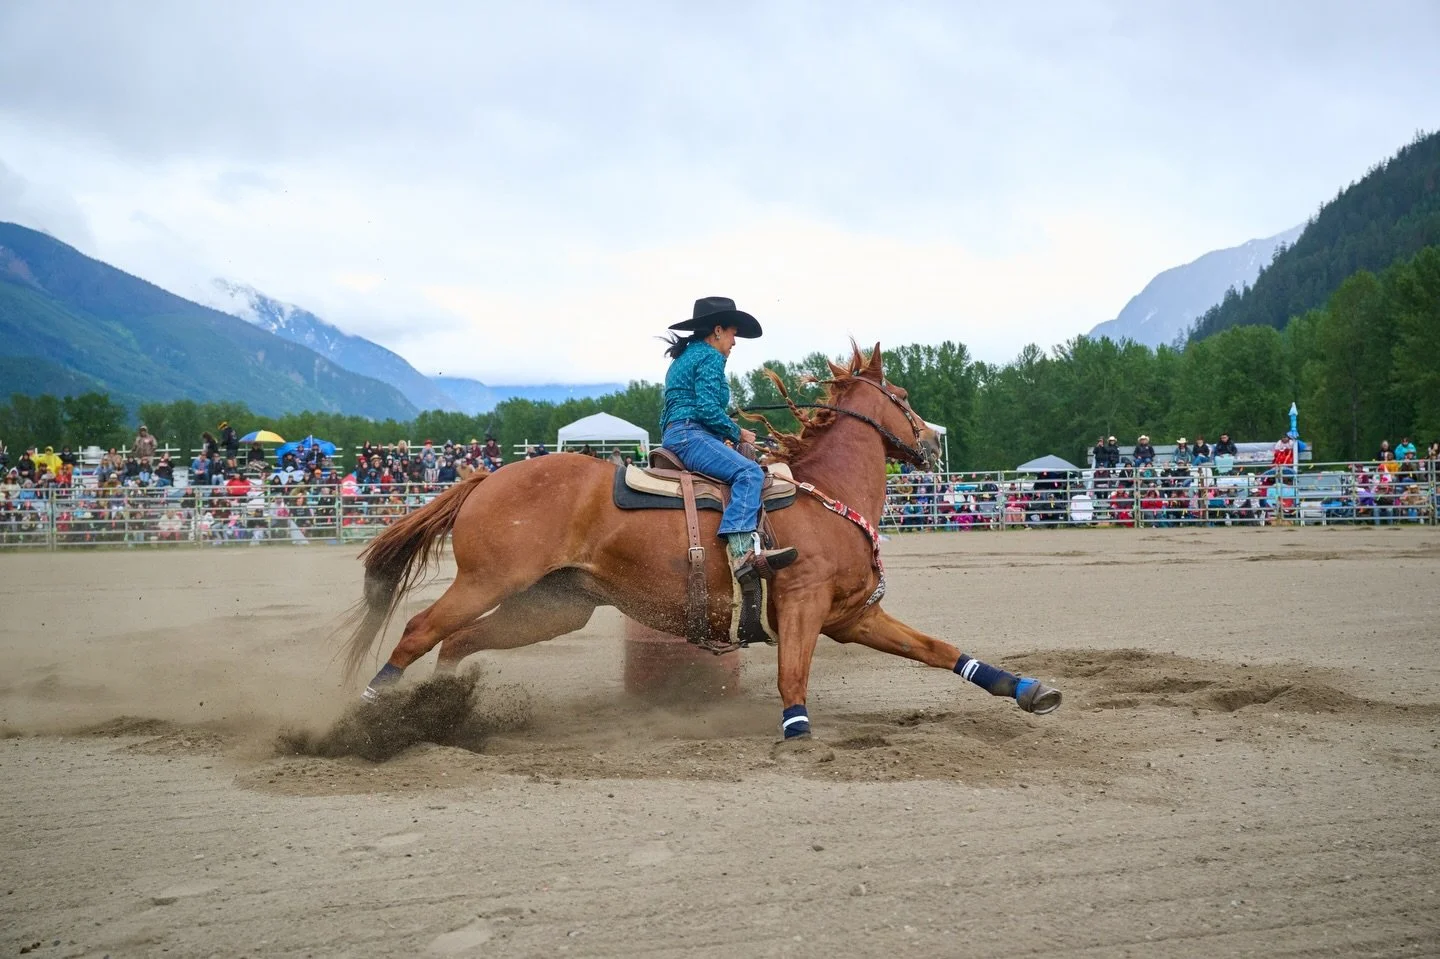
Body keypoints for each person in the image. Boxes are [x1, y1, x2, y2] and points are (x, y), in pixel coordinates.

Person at [659, 296, 797, 580]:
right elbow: (707, 408)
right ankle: (742, 551)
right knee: (749, 473)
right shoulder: (710, 356)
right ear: (718, 330)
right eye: (733, 333)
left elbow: (682, 409)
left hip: (677, 433)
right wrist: (737, 432)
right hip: (690, 434)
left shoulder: (684, 358)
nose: (734, 342)